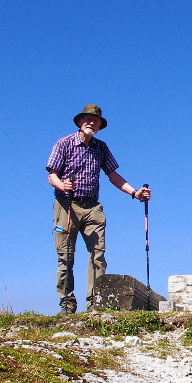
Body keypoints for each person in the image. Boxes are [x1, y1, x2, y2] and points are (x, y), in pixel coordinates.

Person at [46, 104, 151, 315]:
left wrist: (134, 193)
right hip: (67, 205)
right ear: (79, 122)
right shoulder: (64, 144)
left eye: (95, 120)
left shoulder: (101, 148)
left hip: (93, 206)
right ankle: (67, 305)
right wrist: (62, 184)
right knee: (65, 256)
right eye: (87, 119)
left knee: (97, 255)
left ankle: (95, 304)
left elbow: (113, 176)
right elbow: (51, 174)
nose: (91, 123)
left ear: (100, 126)